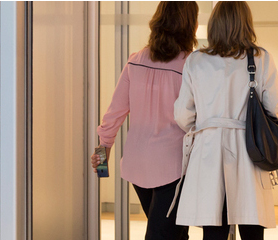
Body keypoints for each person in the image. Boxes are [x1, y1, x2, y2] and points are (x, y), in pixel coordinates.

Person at [171, 2, 278, 240]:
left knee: (214, 226)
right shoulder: (260, 58)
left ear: (214, 24)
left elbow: (183, 114)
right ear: (246, 23)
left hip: (208, 151)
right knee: (252, 224)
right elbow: (276, 107)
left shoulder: (196, 60)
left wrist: (205, 127)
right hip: (249, 149)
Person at [91, 2, 198, 240]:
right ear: (190, 24)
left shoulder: (135, 60)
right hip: (173, 168)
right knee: (164, 234)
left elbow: (114, 113)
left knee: (175, 233)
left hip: (137, 165)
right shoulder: (190, 65)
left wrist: (102, 153)